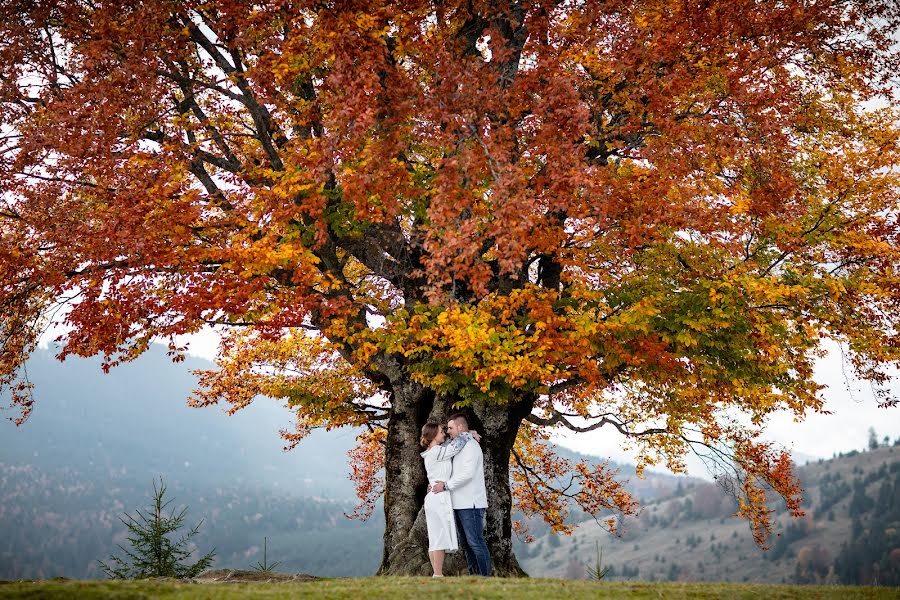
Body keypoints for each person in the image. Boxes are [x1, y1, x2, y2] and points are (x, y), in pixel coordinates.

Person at [430, 413, 492, 576]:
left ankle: (486, 579)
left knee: (476, 543)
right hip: (458, 503)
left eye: (450, 428)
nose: (448, 431)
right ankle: (475, 578)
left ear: (460, 428)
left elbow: (467, 474)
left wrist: (445, 485)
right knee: (466, 544)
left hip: (471, 504)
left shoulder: (471, 447)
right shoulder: (458, 445)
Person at [419, 421, 478, 577]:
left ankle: (437, 573)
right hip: (439, 497)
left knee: (435, 536)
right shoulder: (437, 451)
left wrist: (468, 432)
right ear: (432, 435)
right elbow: (455, 446)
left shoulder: (432, 452)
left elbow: (452, 444)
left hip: (433, 496)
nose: (444, 434)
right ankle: (438, 575)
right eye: (440, 432)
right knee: (439, 537)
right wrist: (468, 433)